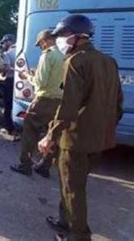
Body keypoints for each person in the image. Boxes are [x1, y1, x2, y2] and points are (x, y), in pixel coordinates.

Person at [38, 15, 123, 241]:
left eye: (62, 36)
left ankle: (79, 236)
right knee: (72, 182)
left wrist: (50, 135)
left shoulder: (75, 62)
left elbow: (68, 106)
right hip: (98, 139)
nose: (59, 41)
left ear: (77, 37)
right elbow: (118, 104)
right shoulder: (109, 61)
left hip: (75, 139)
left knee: (73, 188)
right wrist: (104, 129)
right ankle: (64, 221)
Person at [10, 29, 64, 178]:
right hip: (59, 101)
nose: (40, 47)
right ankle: (45, 166)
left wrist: (27, 75)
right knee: (52, 134)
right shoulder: (63, 56)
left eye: (40, 44)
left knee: (30, 130)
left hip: (43, 100)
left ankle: (25, 164)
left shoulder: (47, 55)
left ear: (44, 41)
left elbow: (41, 83)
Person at [0, 34, 17, 136]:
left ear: (9, 41)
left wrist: (1, 72)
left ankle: (9, 127)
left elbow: (5, 68)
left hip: (10, 81)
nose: (3, 45)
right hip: (22, 81)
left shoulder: (8, 53)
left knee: (8, 105)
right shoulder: (22, 50)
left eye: (4, 42)